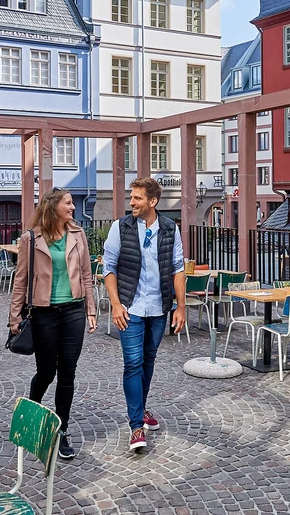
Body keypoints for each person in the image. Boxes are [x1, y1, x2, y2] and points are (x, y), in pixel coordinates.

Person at [9, 189, 96, 460]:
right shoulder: (30, 239)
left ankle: (62, 431)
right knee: (46, 372)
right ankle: (31, 417)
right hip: (44, 313)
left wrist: (90, 310)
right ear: (53, 207)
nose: (72, 207)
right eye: (68, 203)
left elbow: (86, 274)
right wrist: (15, 317)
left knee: (67, 372)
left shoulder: (78, 234)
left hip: (74, 311)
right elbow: (20, 279)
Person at [102, 177, 186, 453]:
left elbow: (177, 269)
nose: (132, 202)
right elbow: (109, 268)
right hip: (130, 307)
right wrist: (115, 304)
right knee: (133, 363)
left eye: (137, 198)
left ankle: (141, 407)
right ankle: (136, 425)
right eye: (131, 197)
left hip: (159, 307)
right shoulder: (120, 227)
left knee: (148, 360)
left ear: (153, 201)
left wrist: (181, 307)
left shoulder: (170, 228)